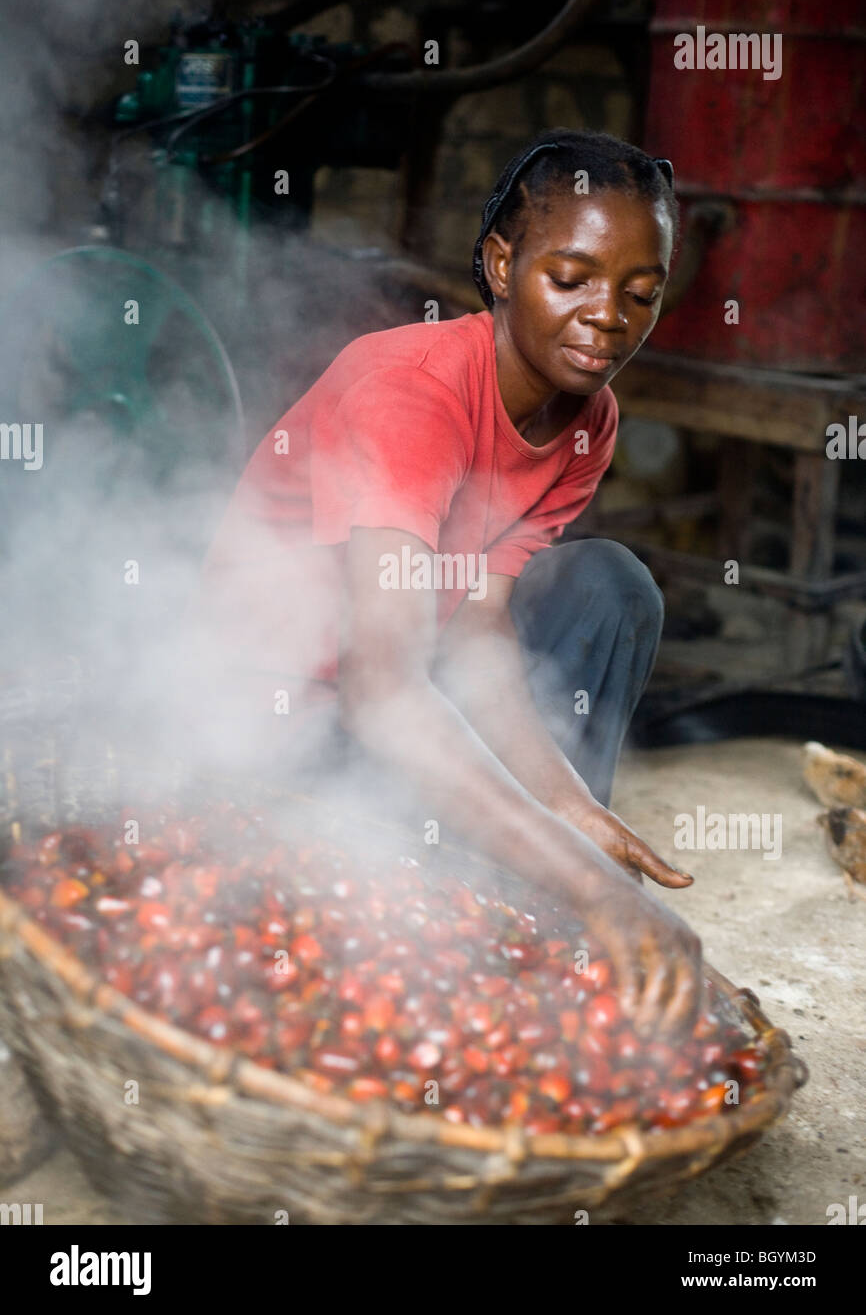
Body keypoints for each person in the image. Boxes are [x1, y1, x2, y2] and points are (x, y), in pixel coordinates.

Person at [189, 128, 703, 1039]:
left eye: (640, 292)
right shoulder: (411, 391)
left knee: (608, 584)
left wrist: (564, 804)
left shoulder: (591, 421)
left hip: (402, 693)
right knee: (350, 943)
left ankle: (544, 890)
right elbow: (381, 690)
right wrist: (592, 883)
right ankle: (547, 891)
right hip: (276, 727)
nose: (607, 317)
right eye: (571, 277)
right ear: (503, 266)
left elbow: (477, 628)